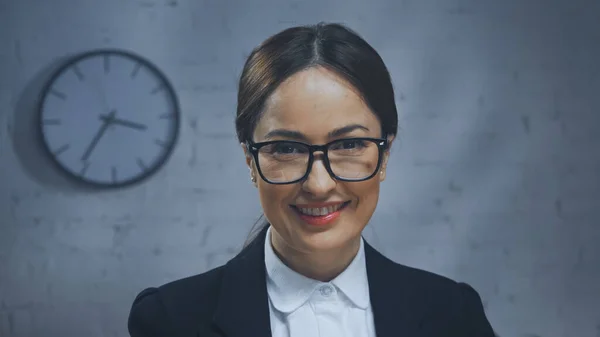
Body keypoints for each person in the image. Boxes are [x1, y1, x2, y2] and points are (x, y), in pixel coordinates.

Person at [127, 22, 496, 337]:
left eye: (349, 144)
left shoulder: (452, 315)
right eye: (286, 149)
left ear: (384, 155)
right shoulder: (171, 320)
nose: (318, 185)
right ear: (250, 161)